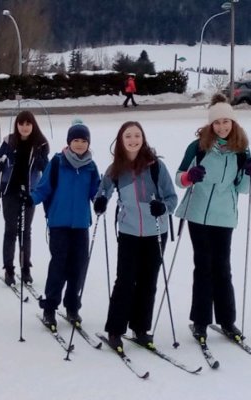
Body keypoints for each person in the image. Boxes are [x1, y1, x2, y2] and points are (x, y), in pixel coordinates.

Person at [174, 94, 251, 342]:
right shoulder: (197, 147)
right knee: (203, 266)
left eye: (226, 122)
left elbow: (242, 188)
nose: (222, 127)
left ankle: (227, 321)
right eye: (217, 122)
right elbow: (179, 178)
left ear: (233, 123)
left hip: (224, 216)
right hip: (198, 214)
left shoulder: (241, 150)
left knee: (222, 267)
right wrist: (190, 176)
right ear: (210, 124)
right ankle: (200, 321)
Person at [93, 121, 177, 350]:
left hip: (156, 231)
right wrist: (100, 202)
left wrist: (163, 207)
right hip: (128, 231)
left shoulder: (155, 166)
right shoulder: (115, 169)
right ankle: (115, 329)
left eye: (137, 135)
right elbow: (103, 191)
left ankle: (140, 328)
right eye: (128, 136)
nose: (133, 140)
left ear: (143, 138)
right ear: (121, 140)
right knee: (125, 281)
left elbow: (172, 198)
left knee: (148, 281)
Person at [28, 121, 100, 327]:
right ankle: (50, 307)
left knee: (78, 266)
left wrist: (100, 201)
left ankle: (72, 306)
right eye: (76, 140)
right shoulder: (58, 162)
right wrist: (31, 199)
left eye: (83, 141)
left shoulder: (91, 166)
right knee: (59, 265)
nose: (80, 144)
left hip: (81, 224)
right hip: (58, 223)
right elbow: (44, 188)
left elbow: (95, 191)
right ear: (69, 142)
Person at [0, 111, 49, 286]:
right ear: (16, 125)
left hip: (29, 192)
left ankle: (26, 269)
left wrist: (39, 160)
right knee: (10, 230)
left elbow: (46, 167)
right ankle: (9, 269)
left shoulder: (40, 144)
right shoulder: (9, 141)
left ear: (33, 125)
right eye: (21, 124)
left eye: (28, 124)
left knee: (26, 231)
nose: (24, 127)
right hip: (10, 191)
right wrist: (1, 163)